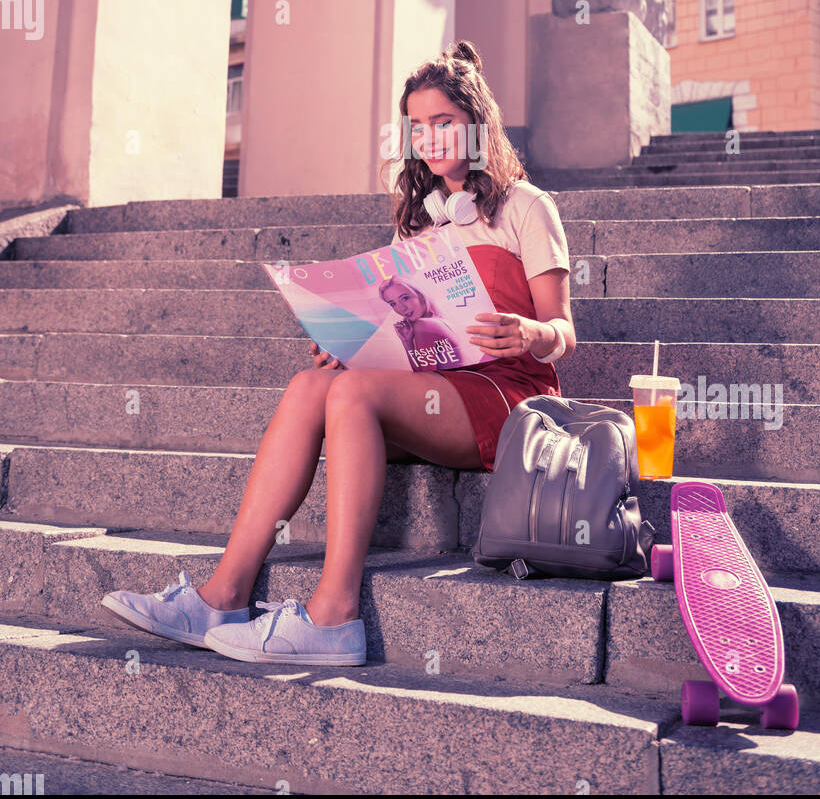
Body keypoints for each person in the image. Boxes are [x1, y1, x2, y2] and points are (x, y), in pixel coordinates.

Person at [100, 40, 576, 666]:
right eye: (419, 128)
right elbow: (407, 329)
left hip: (508, 398)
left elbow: (564, 331)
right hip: (433, 387)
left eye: (445, 124)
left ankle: (333, 614)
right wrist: (355, 342)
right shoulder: (419, 224)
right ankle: (222, 593)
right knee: (311, 385)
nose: (430, 140)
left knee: (350, 394)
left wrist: (531, 332)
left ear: (477, 126)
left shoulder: (527, 208)